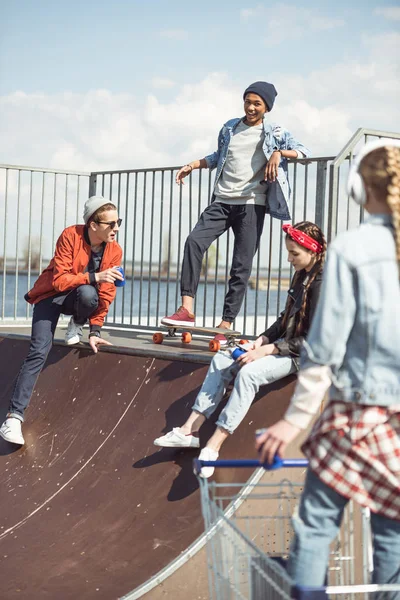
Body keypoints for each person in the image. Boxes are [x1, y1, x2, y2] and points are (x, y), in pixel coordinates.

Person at [256, 140, 400, 589]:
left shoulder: (352, 249)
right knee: (392, 533)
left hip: (356, 410)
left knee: (316, 522)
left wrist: (294, 421)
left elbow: (323, 348)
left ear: (361, 189)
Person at [155, 221, 326, 477]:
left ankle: (213, 446)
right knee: (223, 358)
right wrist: (261, 340)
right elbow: (285, 318)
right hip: (285, 346)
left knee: (249, 374)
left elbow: (315, 340)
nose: (289, 259)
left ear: (312, 251)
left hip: (305, 356)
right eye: (288, 252)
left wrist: (268, 351)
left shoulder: (324, 284)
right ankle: (189, 430)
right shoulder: (302, 272)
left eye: (294, 254)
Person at [161, 81, 310, 345]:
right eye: (248, 101)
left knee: (240, 267)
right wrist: (194, 165)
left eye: (257, 103)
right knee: (194, 241)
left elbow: (304, 150)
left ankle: (226, 322)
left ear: (266, 108)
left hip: (252, 204)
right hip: (222, 200)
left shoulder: (274, 131)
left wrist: (278, 153)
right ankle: (187, 310)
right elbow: (219, 155)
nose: (251, 107)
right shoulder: (230, 127)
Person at [0, 196, 124, 446]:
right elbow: (59, 281)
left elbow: (107, 292)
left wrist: (95, 329)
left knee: (90, 295)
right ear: (93, 224)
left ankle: (78, 322)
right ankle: (13, 419)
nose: (116, 228)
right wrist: (95, 275)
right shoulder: (70, 236)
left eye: (118, 222)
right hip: (50, 297)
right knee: (38, 352)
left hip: (79, 297)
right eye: (111, 224)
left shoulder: (114, 251)